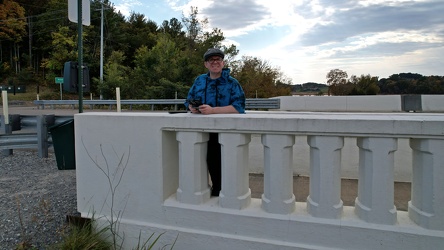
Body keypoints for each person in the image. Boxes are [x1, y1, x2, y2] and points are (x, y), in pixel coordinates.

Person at [185, 48, 246, 196]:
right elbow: (187, 101)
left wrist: (213, 110)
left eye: (218, 59)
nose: (215, 62)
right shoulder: (199, 81)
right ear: (206, 64)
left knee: (227, 162)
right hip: (203, 130)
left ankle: (229, 192)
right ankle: (216, 190)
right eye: (211, 60)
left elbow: (239, 107)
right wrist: (192, 107)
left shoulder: (232, 83)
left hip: (227, 130)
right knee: (208, 161)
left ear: (223, 63)